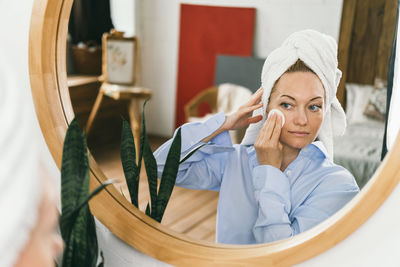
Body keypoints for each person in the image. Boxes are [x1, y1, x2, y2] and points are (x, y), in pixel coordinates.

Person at [154, 29, 359, 245]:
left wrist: (269, 172)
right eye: (287, 104)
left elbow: (284, 258)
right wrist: (224, 123)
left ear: (325, 111)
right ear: (266, 107)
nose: (302, 120)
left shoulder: (338, 185)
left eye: (314, 106)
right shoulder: (237, 161)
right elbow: (160, 166)